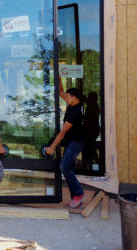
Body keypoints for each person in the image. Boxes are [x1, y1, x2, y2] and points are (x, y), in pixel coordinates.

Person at [43, 77, 86, 208]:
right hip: (73, 142)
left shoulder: (75, 112)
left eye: (68, 98)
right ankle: (77, 200)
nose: (65, 99)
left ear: (75, 98)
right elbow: (60, 91)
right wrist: (58, 76)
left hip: (75, 143)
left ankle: (79, 193)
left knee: (64, 167)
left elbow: (62, 132)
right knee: (69, 169)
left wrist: (51, 147)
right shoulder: (74, 104)